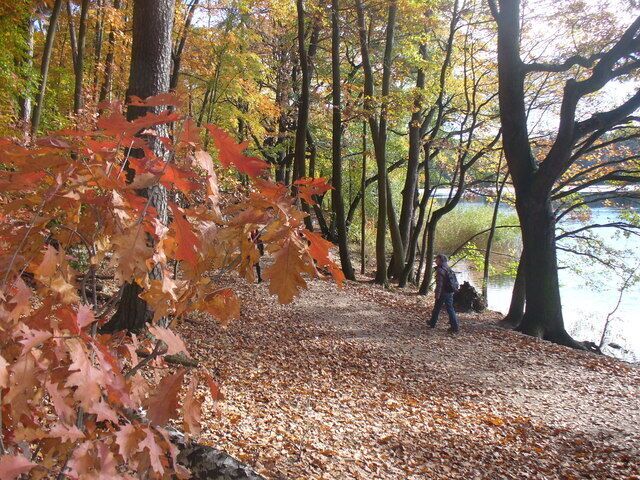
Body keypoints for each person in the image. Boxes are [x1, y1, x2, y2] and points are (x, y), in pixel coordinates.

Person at [428, 254, 460, 333]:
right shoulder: (448, 268)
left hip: (443, 292)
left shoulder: (440, 270)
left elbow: (440, 284)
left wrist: (437, 294)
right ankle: (454, 326)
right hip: (449, 292)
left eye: (437, 259)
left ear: (440, 260)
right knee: (450, 308)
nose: (435, 261)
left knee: (437, 308)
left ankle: (432, 323)